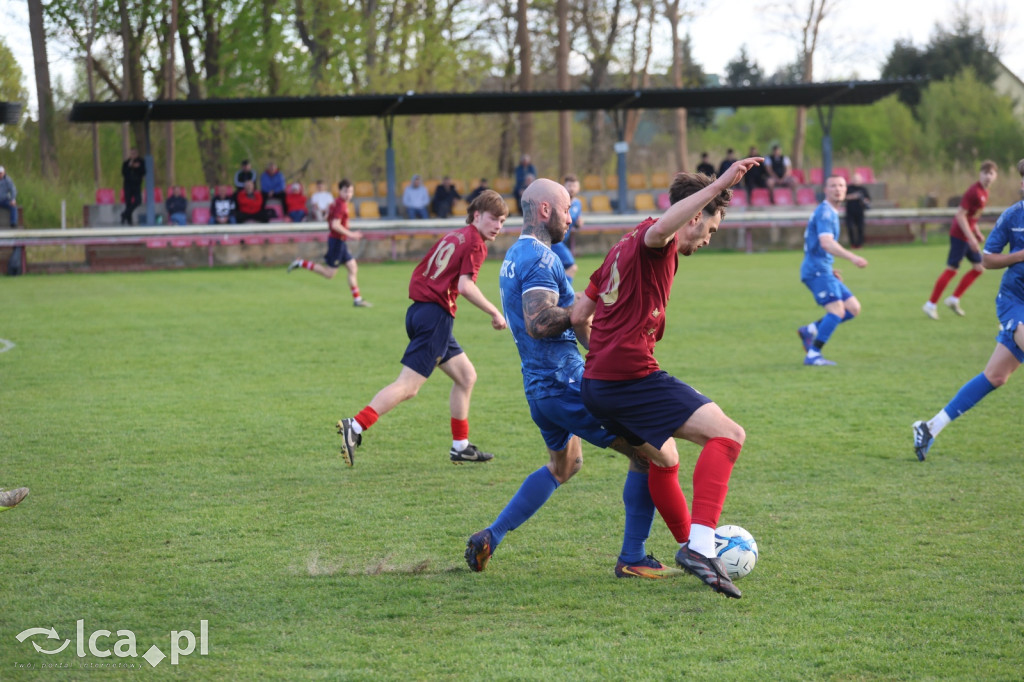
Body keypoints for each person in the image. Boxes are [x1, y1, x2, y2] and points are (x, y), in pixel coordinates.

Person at [571, 157, 761, 599]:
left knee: (665, 459)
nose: (709, 239)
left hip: (597, 384)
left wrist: (601, 352)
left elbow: (581, 313)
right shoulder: (655, 239)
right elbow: (662, 229)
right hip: (630, 378)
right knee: (729, 436)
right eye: (710, 229)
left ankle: (688, 547)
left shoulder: (623, 242)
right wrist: (721, 184)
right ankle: (699, 546)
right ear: (695, 215)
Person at [465, 178, 668, 579]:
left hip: (540, 390)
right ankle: (633, 556)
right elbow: (540, 321)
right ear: (545, 210)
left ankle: (491, 535)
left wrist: (603, 349)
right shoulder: (543, 259)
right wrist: (580, 315)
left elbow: (571, 321)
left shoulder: (516, 254)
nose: (571, 216)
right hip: (566, 384)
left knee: (566, 465)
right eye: (566, 208)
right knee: (648, 454)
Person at [335, 190, 509, 466]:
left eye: (502, 221)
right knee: (408, 386)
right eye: (494, 219)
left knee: (466, 376)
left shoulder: (456, 234)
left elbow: (425, 270)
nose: (498, 226)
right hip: (435, 318)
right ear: (477, 216)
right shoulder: (476, 243)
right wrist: (494, 312)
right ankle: (355, 426)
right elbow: (465, 286)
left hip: (419, 311)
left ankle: (460, 445)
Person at [912, 159, 1024, 461]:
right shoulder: (1013, 216)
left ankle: (930, 427)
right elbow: (987, 259)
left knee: (996, 376)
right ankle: (936, 301)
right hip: (1016, 301)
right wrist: (1020, 255)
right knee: (953, 269)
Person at [797, 175, 869, 366]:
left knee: (853, 308)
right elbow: (826, 243)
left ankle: (811, 329)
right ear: (825, 190)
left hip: (823, 268)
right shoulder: (826, 213)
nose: (838, 189)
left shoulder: (831, 212)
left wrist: (830, 267)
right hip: (816, 270)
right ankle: (813, 354)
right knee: (837, 311)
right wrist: (853, 257)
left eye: (841, 186)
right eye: (833, 186)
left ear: (846, 190)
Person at [921, 160, 998, 320]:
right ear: (980, 174)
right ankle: (930, 304)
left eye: (991, 173)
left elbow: (972, 217)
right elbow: (960, 215)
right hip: (959, 235)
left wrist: (976, 232)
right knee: (952, 269)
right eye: (985, 173)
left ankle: (953, 299)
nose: (988, 176)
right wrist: (971, 238)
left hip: (967, 234)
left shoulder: (985, 192)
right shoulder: (974, 191)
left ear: (995, 176)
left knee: (978, 268)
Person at [288, 179, 371, 307]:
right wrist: (352, 234)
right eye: (345, 191)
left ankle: (357, 299)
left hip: (340, 242)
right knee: (329, 274)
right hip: (336, 242)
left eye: (351, 191)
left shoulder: (336, 202)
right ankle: (301, 263)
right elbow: (335, 225)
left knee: (352, 267)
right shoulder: (341, 205)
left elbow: (328, 217)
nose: (348, 194)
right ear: (339, 191)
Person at [549, 174, 580, 285]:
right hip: (554, 242)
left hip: (562, 242)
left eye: (574, 186)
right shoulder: (558, 203)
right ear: (564, 187)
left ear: (578, 188)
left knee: (556, 271)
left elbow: (576, 221)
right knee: (572, 267)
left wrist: (579, 223)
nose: (571, 188)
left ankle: (557, 294)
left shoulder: (577, 204)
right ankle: (565, 296)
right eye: (569, 185)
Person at [844, 171, 871, 249]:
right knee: (850, 228)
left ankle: (859, 244)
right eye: (855, 179)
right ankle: (853, 244)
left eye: (858, 179)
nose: (856, 181)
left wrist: (865, 200)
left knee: (860, 228)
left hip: (860, 211)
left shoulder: (863, 189)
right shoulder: (848, 188)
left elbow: (868, 199)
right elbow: (844, 198)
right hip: (850, 211)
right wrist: (853, 196)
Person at [121, 148, 145, 225]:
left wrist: (137, 167)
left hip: (137, 185)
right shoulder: (126, 163)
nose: (133, 155)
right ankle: (129, 220)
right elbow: (124, 173)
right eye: (132, 153)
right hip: (128, 185)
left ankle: (124, 214)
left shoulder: (141, 162)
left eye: (134, 153)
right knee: (128, 203)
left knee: (138, 201)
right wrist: (130, 166)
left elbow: (144, 172)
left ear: (137, 154)